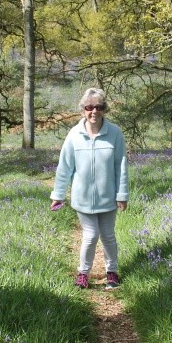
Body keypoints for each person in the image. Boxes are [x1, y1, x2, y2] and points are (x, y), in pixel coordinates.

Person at [50, 88, 129, 289]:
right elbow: (65, 167)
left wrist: (122, 194)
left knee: (108, 235)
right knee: (91, 235)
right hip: (82, 198)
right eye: (89, 107)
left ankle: (112, 272)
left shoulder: (115, 134)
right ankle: (83, 274)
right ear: (83, 110)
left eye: (99, 107)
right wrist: (58, 195)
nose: (94, 111)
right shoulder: (74, 135)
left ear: (105, 109)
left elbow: (121, 166)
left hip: (108, 197)